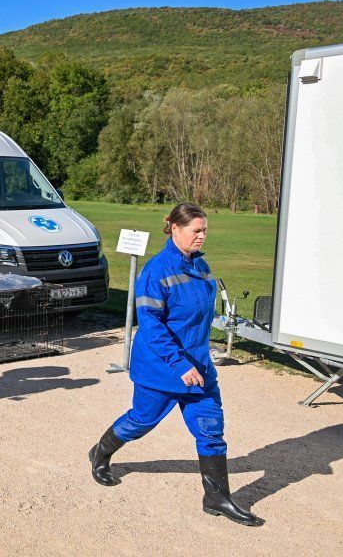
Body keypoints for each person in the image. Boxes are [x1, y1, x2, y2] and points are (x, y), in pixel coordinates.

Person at [88, 203, 264, 527]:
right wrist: (179, 364)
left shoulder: (203, 267)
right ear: (175, 229)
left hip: (199, 369)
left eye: (205, 230)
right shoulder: (156, 271)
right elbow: (151, 325)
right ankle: (100, 452)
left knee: (212, 430)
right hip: (162, 370)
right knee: (141, 421)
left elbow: (201, 315)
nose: (202, 235)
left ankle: (216, 498)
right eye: (197, 230)